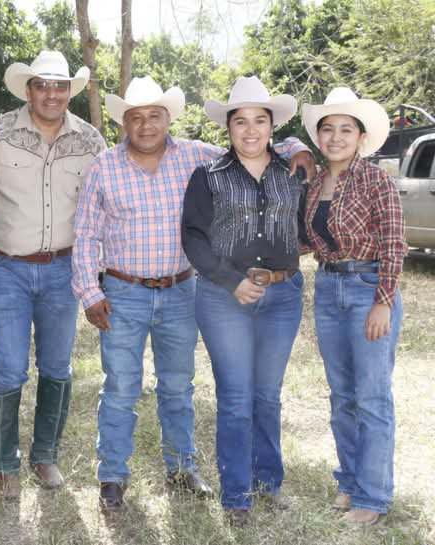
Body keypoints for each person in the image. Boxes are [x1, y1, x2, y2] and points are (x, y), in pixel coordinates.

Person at [73, 75, 314, 513]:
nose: (146, 125)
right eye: (136, 117)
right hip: (123, 292)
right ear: (124, 122)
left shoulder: (196, 156)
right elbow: (86, 234)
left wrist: (298, 146)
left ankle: (182, 468)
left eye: (155, 115)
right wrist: (89, 291)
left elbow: (254, 145)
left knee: (177, 385)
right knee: (121, 386)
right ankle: (112, 476)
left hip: (181, 290)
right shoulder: (103, 166)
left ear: (168, 118)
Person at [180, 76, 307, 526]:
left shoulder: (293, 173)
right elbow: (193, 238)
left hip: (283, 296)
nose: (250, 130)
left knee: (267, 395)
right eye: (240, 121)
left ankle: (268, 481)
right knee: (235, 397)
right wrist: (232, 280)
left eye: (259, 120)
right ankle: (236, 495)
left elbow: (306, 226)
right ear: (228, 127)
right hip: (223, 298)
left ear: (272, 126)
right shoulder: (208, 176)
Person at [0, 50, 106, 500]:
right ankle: (4, 465)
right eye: (42, 85)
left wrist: (291, 147)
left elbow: (108, 198)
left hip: (62, 270)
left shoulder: (91, 140)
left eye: (60, 86)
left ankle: (45, 455)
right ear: (28, 90)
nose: (52, 94)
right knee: (8, 368)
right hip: (4, 268)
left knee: (56, 366)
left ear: (70, 91)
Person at [301, 87, 406, 525]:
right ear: (319, 137)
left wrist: (384, 301)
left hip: (368, 287)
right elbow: (312, 240)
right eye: (328, 129)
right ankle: (349, 481)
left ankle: (373, 497)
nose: (336, 137)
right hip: (329, 289)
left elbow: (394, 243)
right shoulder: (313, 185)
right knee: (342, 396)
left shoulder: (376, 180)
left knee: (371, 397)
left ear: (361, 137)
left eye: (346, 129)